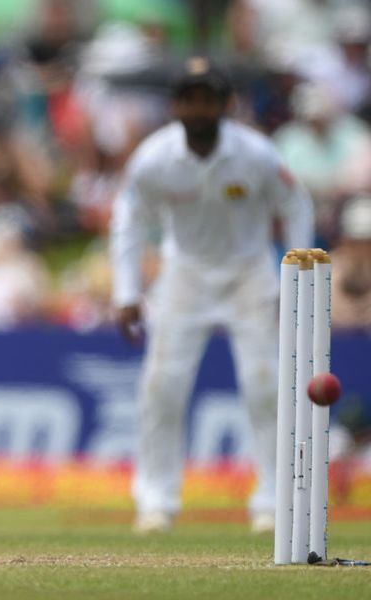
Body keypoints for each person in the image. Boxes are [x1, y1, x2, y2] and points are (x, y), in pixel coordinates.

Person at [110, 57, 313, 534]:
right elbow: (129, 222)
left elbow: (296, 203)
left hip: (250, 274)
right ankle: (156, 501)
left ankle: (270, 502)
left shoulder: (257, 154)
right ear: (175, 105)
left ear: (226, 105)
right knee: (162, 389)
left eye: (207, 99)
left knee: (265, 388)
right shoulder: (155, 158)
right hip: (185, 274)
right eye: (188, 98)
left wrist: (300, 273)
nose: (197, 108)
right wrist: (126, 291)